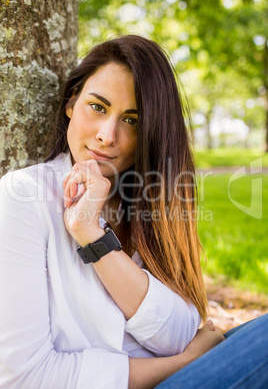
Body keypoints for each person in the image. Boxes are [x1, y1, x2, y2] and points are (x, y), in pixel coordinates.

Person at [0, 35, 267, 389]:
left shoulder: (149, 200)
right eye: (97, 107)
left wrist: (92, 236)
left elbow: (179, 332)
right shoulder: (24, 196)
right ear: (70, 103)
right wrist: (183, 364)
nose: (108, 136)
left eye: (132, 120)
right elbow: (24, 377)